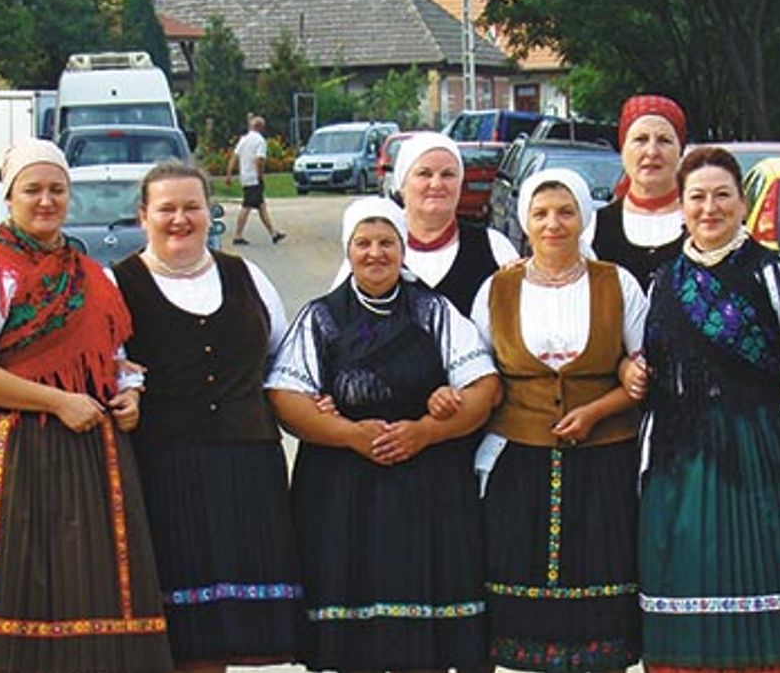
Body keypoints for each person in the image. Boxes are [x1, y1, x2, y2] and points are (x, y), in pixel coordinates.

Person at [0, 140, 171, 672]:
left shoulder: (93, 275)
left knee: (90, 586)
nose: (46, 200)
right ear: (9, 197)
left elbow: (116, 358)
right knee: (20, 582)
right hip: (13, 453)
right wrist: (58, 402)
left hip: (91, 455)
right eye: (32, 189)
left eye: (57, 189)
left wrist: (130, 396)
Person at [636, 146, 780, 672]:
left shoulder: (775, 271)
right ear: (681, 206)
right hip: (682, 457)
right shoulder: (663, 280)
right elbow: (648, 360)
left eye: (722, 195)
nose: (709, 208)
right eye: (697, 197)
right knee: (696, 581)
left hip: (761, 446)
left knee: (768, 584)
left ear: (743, 203)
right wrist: (634, 372)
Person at [266, 197, 501, 672]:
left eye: (387, 242)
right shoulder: (321, 317)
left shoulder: (435, 312)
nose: (375, 253)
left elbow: (484, 388)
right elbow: (285, 397)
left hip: (427, 484)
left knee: (423, 633)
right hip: (342, 486)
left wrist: (427, 431)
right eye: (363, 243)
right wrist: (348, 433)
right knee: (354, 629)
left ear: (402, 249)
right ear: (348, 250)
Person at [111, 160, 302, 671]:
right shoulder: (120, 284)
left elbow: (285, 359)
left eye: (191, 207)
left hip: (247, 465)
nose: (180, 219)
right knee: (182, 625)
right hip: (165, 465)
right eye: (166, 208)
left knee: (230, 625)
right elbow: (108, 367)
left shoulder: (246, 275)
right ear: (143, 216)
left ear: (210, 213)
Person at [470, 169, 648, 672]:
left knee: (601, 569)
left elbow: (641, 364)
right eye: (541, 213)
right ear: (524, 221)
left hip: (604, 457)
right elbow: (477, 368)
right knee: (518, 576)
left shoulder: (617, 283)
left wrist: (603, 403)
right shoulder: (497, 289)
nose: (553, 224)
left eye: (565, 212)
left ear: (583, 219)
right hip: (518, 458)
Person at [334, 131, 519, 314]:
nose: (436, 184)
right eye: (424, 174)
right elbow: (337, 321)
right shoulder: (371, 250)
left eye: (448, 174)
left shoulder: (494, 248)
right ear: (402, 185)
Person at [590, 95, 688, 290]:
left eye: (664, 140)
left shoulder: (705, 223)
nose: (652, 151)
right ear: (623, 148)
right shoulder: (593, 228)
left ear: (681, 150)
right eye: (640, 139)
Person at [226, 115, 285, 245]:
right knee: (247, 206)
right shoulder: (260, 141)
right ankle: (237, 235)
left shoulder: (244, 140)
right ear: (261, 127)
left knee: (261, 205)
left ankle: (273, 233)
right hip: (254, 178)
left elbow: (234, 157)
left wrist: (229, 174)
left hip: (245, 176)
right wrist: (260, 175)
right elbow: (259, 160)